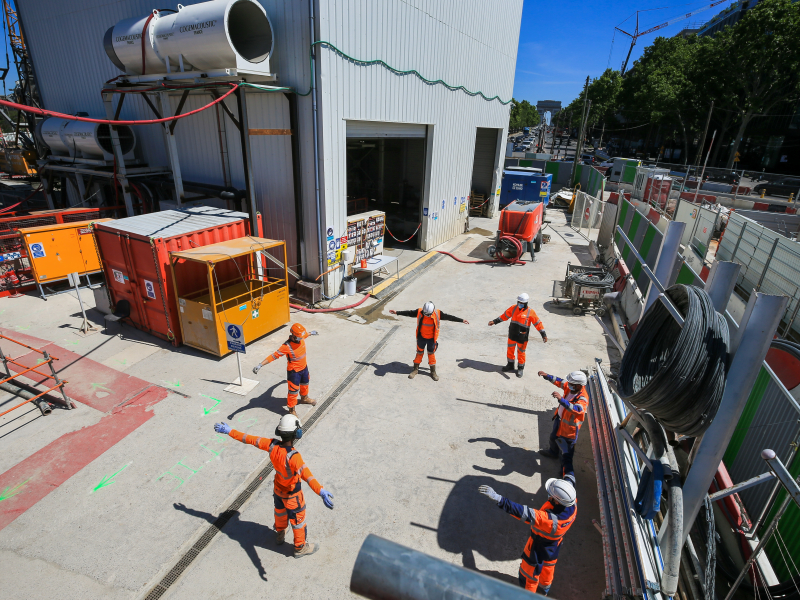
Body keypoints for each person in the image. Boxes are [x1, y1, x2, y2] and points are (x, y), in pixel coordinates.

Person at [214, 414, 334, 557]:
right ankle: (300, 547)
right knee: (298, 522)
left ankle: (280, 533)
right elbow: (307, 476)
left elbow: (249, 439)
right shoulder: (294, 456)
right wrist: (320, 491)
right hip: (292, 496)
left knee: (280, 513)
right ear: (297, 433)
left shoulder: (271, 445)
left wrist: (229, 431)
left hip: (278, 491)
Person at [477, 476, 577, 594]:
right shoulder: (573, 503)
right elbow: (570, 477)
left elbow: (521, 512)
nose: (549, 495)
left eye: (551, 495)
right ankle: (545, 590)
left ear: (557, 500)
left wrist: (498, 498)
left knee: (529, 577)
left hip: (536, 550)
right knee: (548, 569)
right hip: (553, 547)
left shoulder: (548, 520)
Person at [389, 301, 469, 381]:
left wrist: (461, 320)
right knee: (419, 353)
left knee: (431, 355)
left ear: (433, 311)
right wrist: (397, 312)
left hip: (432, 339)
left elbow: (449, 317)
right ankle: (415, 370)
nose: (427, 316)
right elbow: (409, 313)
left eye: (428, 314)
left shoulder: (438, 313)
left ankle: (433, 372)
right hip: (421, 338)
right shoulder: (419, 311)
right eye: (425, 314)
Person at [253, 323, 318, 416]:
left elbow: (305, 335)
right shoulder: (286, 347)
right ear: (294, 336)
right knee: (293, 392)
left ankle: (304, 398)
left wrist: (311, 333)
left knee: (305, 384)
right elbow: (274, 356)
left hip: (304, 368)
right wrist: (260, 365)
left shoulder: (301, 337)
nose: (301, 339)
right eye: (299, 338)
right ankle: (291, 409)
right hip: (294, 372)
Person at [537, 370, 589, 477]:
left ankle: (565, 472)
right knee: (553, 438)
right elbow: (560, 381)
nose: (568, 385)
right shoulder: (571, 387)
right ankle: (553, 452)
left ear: (579, 385)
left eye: (572, 384)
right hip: (560, 421)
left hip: (570, 431)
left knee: (567, 453)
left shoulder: (583, 398)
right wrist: (547, 376)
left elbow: (577, 409)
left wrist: (562, 400)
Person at [488, 293, 546, 378]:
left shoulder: (530, 312)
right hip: (512, 334)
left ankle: (520, 368)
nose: (519, 304)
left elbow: (537, 323)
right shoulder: (513, 308)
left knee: (521, 353)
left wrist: (543, 334)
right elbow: (505, 316)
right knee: (510, 350)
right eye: (518, 302)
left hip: (522, 337)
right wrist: (494, 321)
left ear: (526, 303)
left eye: (521, 303)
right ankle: (510, 365)